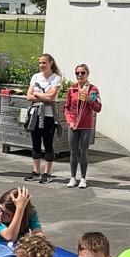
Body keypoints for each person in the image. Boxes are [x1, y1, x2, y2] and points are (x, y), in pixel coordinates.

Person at [26, 53, 65, 182]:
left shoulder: (56, 78)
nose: (42, 65)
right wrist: (43, 96)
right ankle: (36, 171)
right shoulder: (35, 77)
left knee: (48, 143)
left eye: (44, 63)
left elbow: (51, 97)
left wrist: (37, 94)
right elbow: (28, 96)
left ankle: (47, 173)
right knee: (35, 143)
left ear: (50, 63)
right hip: (35, 114)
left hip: (49, 115)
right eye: (40, 63)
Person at [63, 64, 102, 188]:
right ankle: (72, 177)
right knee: (73, 152)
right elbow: (67, 108)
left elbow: (98, 108)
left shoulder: (93, 89)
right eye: (77, 73)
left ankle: (83, 178)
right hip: (73, 125)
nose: (80, 75)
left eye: (82, 73)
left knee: (83, 151)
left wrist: (89, 100)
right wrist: (70, 121)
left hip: (86, 125)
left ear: (87, 74)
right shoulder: (72, 89)